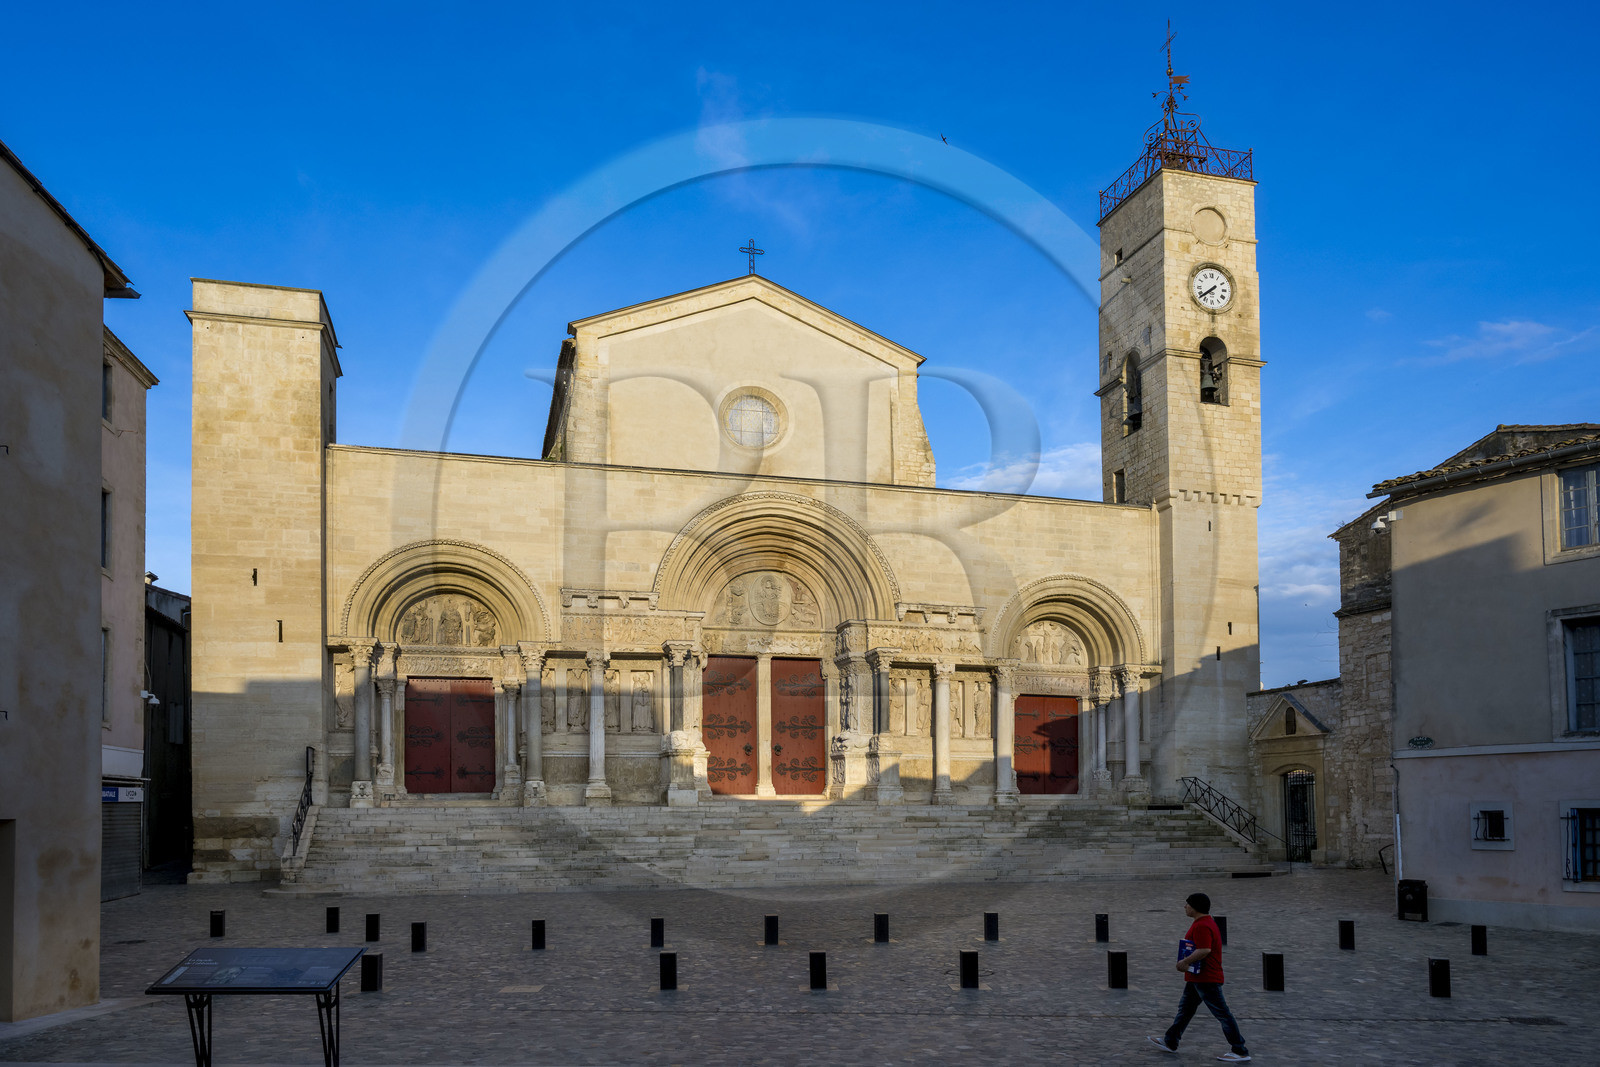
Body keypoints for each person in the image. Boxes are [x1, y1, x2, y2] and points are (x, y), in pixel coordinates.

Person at [1147, 892, 1250, 1062]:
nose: (1185, 907)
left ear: (1195, 906)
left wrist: (1184, 962)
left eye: (1187, 904)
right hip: (1197, 977)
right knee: (1185, 1010)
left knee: (1223, 1014)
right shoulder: (1204, 922)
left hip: (1206, 978)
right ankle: (1170, 1041)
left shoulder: (1202, 925)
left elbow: (1205, 949)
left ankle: (1240, 1050)